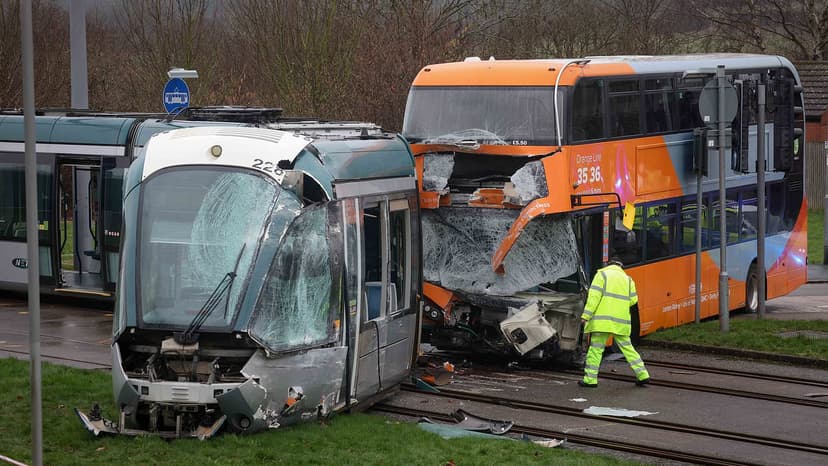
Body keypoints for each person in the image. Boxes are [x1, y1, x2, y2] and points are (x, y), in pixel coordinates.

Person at [578, 257, 650, 388]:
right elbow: (633, 300)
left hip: (602, 322)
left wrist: (585, 316)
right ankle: (643, 374)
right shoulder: (628, 280)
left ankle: (590, 380)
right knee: (628, 349)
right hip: (621, 322)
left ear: (608, 264)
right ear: (621, 267)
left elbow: (594, 297)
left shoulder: (602, 275)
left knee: (596, 350)